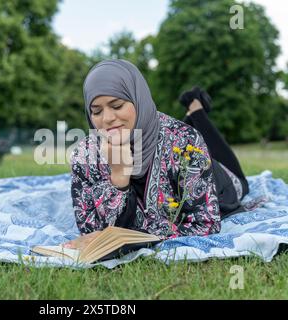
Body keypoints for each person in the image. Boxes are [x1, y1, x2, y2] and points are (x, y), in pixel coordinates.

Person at [64, 59, 249, 249]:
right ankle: (189, 114)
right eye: (96, 111)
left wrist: (137, 238)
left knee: (241, 182)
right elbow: (91, 229)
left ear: (138, 99)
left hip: (219, 181)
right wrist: (119, 178)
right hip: (165, 137)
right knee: (173, 135)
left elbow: (205, 224)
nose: (108, 119)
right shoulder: (85, 155)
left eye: (117, 106)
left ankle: (197, 110)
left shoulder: (186, 140)